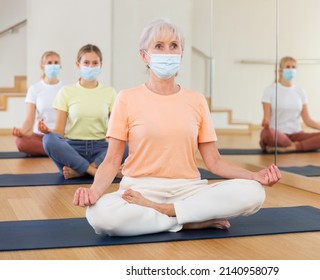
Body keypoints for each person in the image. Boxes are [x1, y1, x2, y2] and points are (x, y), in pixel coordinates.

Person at [73, 19, 281, 237]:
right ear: (144, 55)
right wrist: (94, 192)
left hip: (188, 190)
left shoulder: (197, 100)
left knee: (254, 193)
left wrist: (254, 176)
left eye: (174, 46)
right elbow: (112, 160)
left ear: (181, 53)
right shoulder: (126, 98)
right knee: (99, 216)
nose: (167, 51)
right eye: (159, 46)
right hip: (140, 190)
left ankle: (167, 212)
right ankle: (189, 220)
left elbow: (214, 162)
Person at [39, 44, 125, 179]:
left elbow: (115, 130)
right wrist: (48, 131)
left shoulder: (110, 93)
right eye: (86, 62)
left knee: (127, 140)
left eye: (95, 63)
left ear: (100, 65)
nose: (90, 66)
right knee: (48, 139)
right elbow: (60, 132)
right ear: (78, 64)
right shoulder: (66, 92)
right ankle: (95, 172)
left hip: (100, 149)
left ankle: (81, 170)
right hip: (73, 150)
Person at [259, 56, 320, 153]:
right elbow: (266, 118)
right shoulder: (269, 90)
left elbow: (307, 120)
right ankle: (293, 146)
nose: (291, 70)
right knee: (267, 133)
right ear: (280, 70)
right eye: (287, 67)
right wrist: (266, 124)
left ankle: (291, 147)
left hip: (296, 134)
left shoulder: (300, 91)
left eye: (293, 67)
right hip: (278, 134)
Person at [12, 51, 64, 156]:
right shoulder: (34, 89)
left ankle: (56, 150)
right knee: (20, 142)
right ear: (42, 66)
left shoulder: (65, 89)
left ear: (60, 66)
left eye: (56, 62)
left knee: (72, 143)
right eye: (49, 63)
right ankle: (59, 152)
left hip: (60, 136)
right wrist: (21, 131)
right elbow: (29, 120)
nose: (53, 65)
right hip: (40, 136)